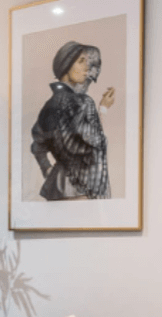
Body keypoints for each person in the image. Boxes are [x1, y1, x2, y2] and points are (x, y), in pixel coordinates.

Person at [31, 41, 114, 200]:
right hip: (83, 188)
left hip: (56, 188)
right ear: (66, 65)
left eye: (87, 62)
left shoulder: (49, 105)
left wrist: (47, 169)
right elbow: (94, 142)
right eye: (81, 61)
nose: (87, 68)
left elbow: (37, 144)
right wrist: (103, 109)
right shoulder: (83, 102)